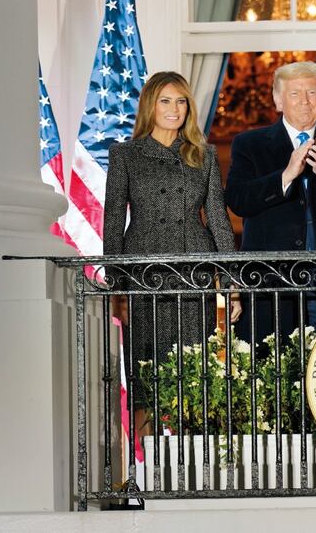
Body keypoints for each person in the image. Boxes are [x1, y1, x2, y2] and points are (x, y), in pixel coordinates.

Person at [103, 71, 240, 415]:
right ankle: (147, 461)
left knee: (194, 374)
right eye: (165, 100)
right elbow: (113, 221)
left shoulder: (204, 154)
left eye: (181, 101)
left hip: (194, 273)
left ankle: (192, 458)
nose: (174, 109)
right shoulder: (125, 155)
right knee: (145, 377)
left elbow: (219, 220)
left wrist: (233, 285)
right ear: (151, 105)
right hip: (144, 273)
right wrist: (116, 287)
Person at [225, 60, 316, 342]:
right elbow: (237, 200)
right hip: (272, 281)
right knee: (275, 370)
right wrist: (285, 176)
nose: (305, 101)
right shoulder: (249, 144)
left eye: (311, 92)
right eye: (295, 93)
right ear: (278, 100)